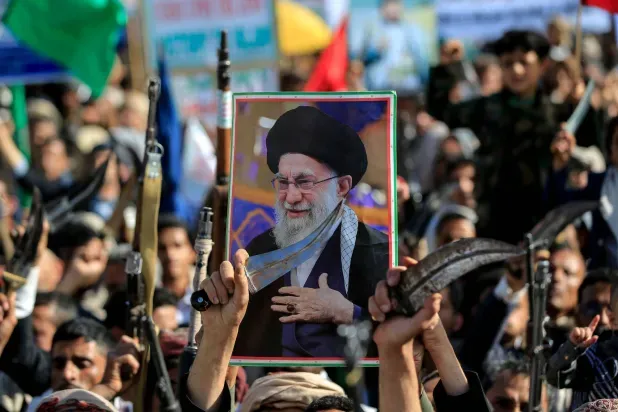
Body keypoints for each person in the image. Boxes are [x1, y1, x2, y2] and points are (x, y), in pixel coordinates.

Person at [231, 106, 389, 358]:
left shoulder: (379, 253)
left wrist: (346, 312)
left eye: (304, 182)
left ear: (342, 187)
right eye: (283, 183)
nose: (291, 197)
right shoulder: (261, 251)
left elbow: (402, 340)